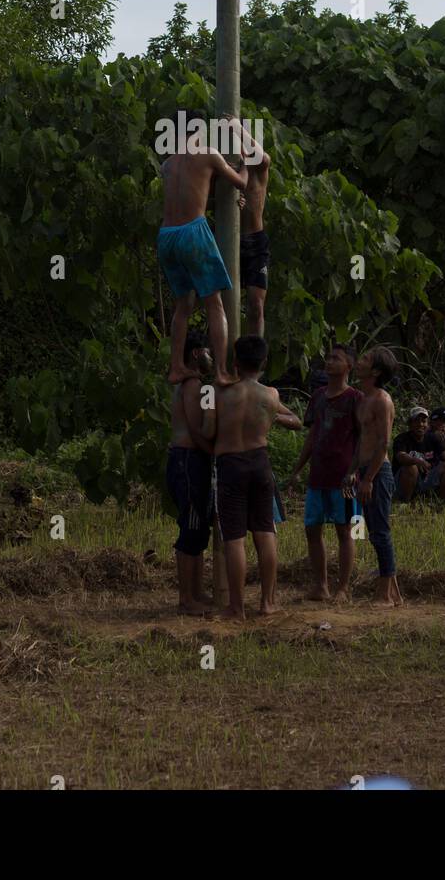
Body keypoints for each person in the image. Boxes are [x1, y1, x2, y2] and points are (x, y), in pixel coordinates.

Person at [203, 335, 302, 621]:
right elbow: (295, 420)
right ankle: (267, 602)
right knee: (265, 530)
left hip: (230, 463)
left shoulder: (215, 392)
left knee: (234, 537)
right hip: (260, 463)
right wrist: (271, 417)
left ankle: (236, 607)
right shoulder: (271, 395)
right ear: (264, 363)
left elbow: (208, 432)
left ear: (234, 362)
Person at [158, 109, 248, 385]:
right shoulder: (209, 154)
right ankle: (222, 371)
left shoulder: (168, 164)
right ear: (197, 130)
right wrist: (243, 163)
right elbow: (242, 182)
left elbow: (189, 193)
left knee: (183, 305)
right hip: (193, 233)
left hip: (166, 236)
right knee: (214, 303)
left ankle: (176, 367)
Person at [287, 344, 362, 602]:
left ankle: (343, 587)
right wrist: (298, 468)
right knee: (312, 529)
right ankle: (321, 585)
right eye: (329, 358)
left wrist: (355, 471)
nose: (329, 362)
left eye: (336, 358)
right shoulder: (318, 396)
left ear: (349, 366)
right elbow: (312, 435)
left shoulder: (355, 398)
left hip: (343, 475)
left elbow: (363, 439)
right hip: (318, 474)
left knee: (345, 529)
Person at [165, 330, 214, 616]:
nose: (211, 356)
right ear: (196, 353)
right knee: (191, 526)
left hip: (186, 459)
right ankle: (186, 598)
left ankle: (196, 591)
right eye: (208, 351)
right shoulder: (194, 384)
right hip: (188, 460)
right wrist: (216, 451)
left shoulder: (188, 383)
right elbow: (197, 430)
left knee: (197, 528)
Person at [353, 347, 402, 607]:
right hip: (364, 471)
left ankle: (384, 594)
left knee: (380, 532)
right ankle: (393, 593)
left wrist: (368, 478)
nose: (358, 361)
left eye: (364, 358)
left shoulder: (382, 400)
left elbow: (383, 443)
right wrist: (353, 471)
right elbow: (362, 441)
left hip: (378, 472)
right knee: (373, 531)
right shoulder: (363, 399)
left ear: (375, 371)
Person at [229, 116, 271, 339]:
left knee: (255, 306)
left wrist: (237, 126)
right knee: (225, 303)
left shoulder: (259, 166)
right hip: (229, 239)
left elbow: (262, 158)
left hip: (255, 240)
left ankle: (255, 360)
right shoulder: (225, 166)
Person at [392, 408, 445, 502]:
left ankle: (442, 503)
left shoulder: (433, 437)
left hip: (425, 480)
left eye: (423, 421)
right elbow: (401, 456)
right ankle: (405, 503)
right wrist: (418, 461)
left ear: (427, 424)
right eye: (416, 421)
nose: (420, 424)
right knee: (411, 467)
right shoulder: (402, 438)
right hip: (402, 482)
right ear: (410, 424)